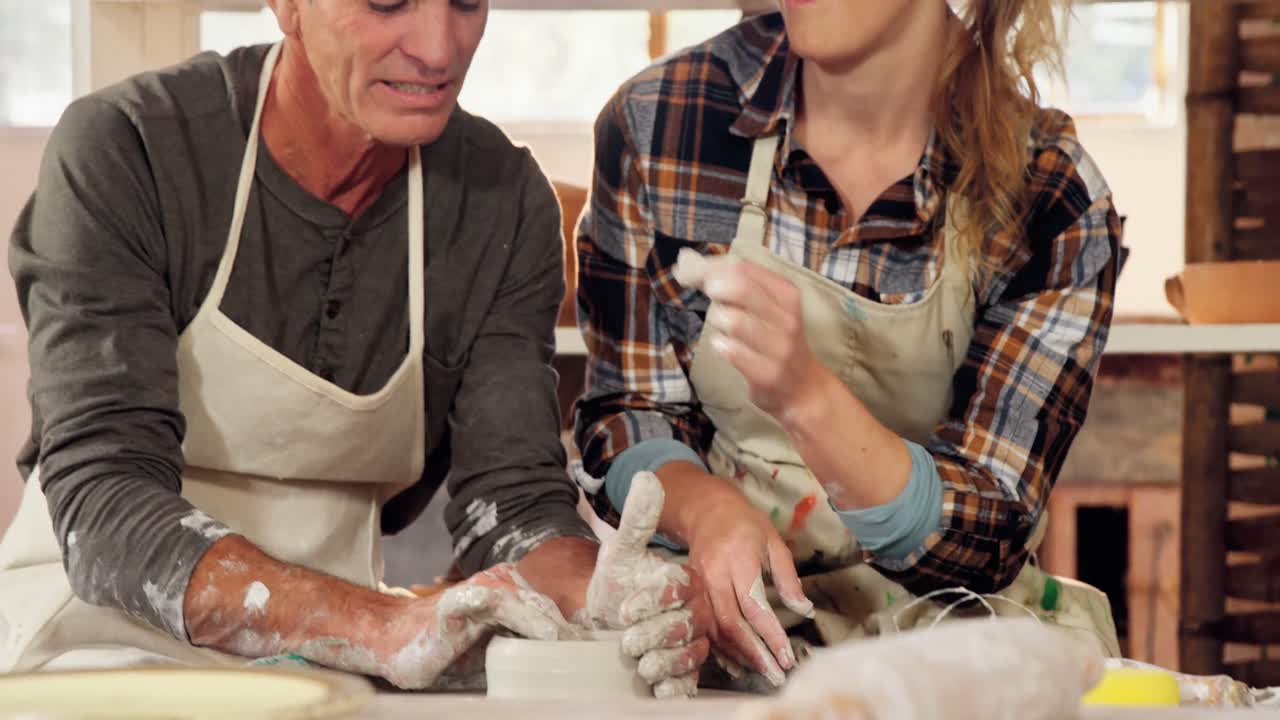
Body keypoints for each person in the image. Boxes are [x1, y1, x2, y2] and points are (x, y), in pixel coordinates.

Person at [0, 0, 707, 696]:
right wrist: (381, 622)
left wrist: (602, 591)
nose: (438, 48)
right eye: (386, 2)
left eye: (465, 2)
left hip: (327, 671)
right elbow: (104, 504)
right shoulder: (130, 147)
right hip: (87, 651)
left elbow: (513, 506)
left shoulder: (501, 200)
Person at [574, 0, 1124, 689]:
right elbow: (629, 409)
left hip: (951, 650)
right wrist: (707, 512)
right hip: (717, 629)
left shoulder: (1052, 193)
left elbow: (995, 524)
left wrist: (807, 398)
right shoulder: (665, 120)